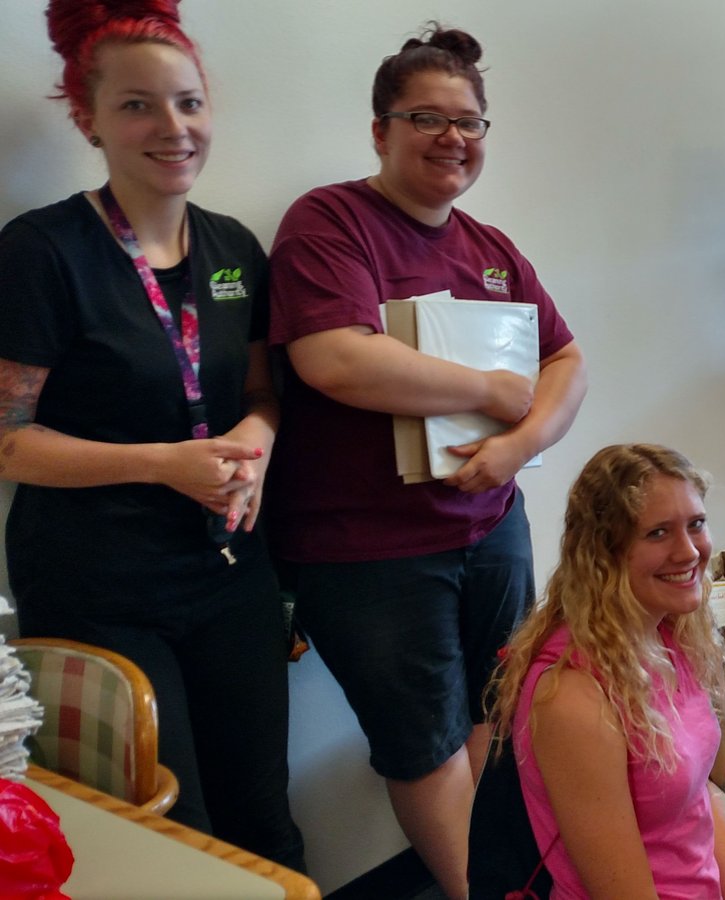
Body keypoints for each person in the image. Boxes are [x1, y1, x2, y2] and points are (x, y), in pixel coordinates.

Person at [266, 24, 587, 899]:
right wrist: (487, 391)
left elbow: (566, 361)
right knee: (423, 742)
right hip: (369, 551)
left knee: (493, 715)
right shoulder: (329, 222)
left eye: (471, 122)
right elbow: (332, 356)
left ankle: (497, 877)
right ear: (381, 131)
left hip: (491, 529)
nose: (454, 139)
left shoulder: (489, 247)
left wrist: (519, 445)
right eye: (427, 118)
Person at [0, 0, 303, 869]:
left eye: (189, 102)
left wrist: (254, 438)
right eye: (138, 105)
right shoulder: (41, 252)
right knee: (175, 834)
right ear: (87, 120)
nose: (173, 127)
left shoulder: (234, 245)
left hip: (229, 573)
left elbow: (260, 394)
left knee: (263, 814)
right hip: (99, 585)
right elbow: (8, 439)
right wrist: (165, 465)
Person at [483, 444, 725, 899]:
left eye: (696, 524)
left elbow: (696, 801)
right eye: (658, 533)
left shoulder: (670, 631)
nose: (689, 551)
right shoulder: (574, 698)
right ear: (603, 553)